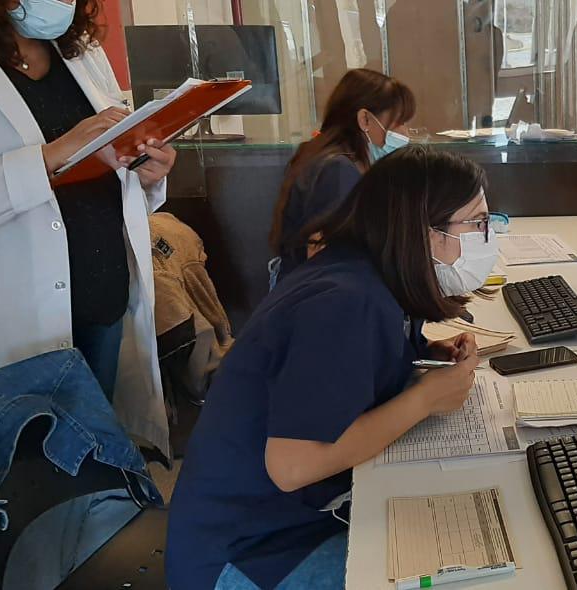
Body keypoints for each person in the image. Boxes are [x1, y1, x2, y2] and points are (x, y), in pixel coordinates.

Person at [166, 148, 495, 590]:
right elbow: (292, 465)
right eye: (477, 223)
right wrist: (424, 400)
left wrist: (426, 353)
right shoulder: (346, 302)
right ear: (422, 230)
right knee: (466, 574)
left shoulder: (366, 272)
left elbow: (358, 363)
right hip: (248, 554)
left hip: (281, 523)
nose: (486, 237)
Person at [0, 0, 176, 455]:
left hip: (102, 298)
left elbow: (109, 157)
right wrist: (52, 154)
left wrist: (147, 171)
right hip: (17, 313)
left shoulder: (82, 53)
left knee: (92, 462)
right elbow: (67, 153)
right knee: (27, 468)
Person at [269, 68, 415, 286]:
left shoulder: (325, 157)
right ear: (365, 119)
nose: (405, 133)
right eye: (399, 122)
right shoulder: (337, 171)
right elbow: (329, 256)